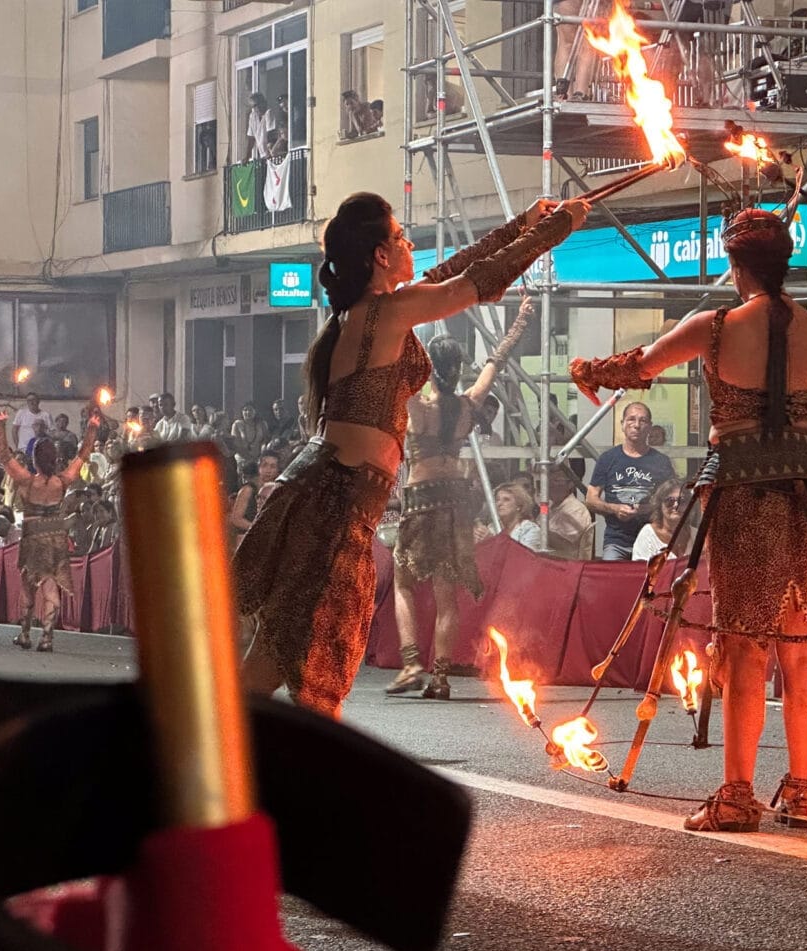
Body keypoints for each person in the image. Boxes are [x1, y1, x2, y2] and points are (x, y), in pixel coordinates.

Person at [234, 191, 587, 718]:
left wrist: (524, 224)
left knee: (288, 645)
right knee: (302, 645)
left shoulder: (377, 310)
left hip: (332, 495)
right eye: (400, 237)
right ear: (379, 255)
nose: (409, 244)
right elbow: (473, 285)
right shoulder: (384, 311)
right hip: (333, 501)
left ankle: (228, 764)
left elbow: (454, 273)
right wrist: (556, 231)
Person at [571, 208, 807, 832]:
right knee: (803, 643)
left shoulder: (716, 327)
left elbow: (637, 366)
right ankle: (800, 788)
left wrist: (586, 371)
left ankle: (738, 792)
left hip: (746, 490)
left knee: (744, 643)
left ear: (736, 263)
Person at [385, 299, 537, 700]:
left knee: (403, 582)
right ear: (457, 369)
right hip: (456, 497)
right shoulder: (469, 404)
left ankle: (412, 661)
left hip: (421, 496)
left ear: (430, 370)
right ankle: (440, 678)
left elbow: (396, 358)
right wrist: (520, 321)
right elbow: (497, 360)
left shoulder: (417, 405)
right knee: (445, 592)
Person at [0, 410, 99, 651]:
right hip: (55, 539)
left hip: (33, 539)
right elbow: (83, 455)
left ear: (34, 458)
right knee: (51, 587)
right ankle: (47, 637)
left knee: (28, 586)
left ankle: (25, 634)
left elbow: (2, 455)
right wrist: (91, 429)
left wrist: (0, 427)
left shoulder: (27, 480)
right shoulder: (62, 481)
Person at [585, 402, 675, 560]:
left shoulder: (661, 462)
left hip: (652, 539)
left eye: (643, 420)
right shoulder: (607, 459)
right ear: (622, 424)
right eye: (631, 419)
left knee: (655, 583)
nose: (637, 425)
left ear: (650, 426)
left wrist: (646, 509)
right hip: (616, 541)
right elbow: (590, 499)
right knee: (612, 580)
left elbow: (673, 500)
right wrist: (614, 508)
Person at [631, 478, 691, 560]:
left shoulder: (696, 535)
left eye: (682, 501)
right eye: (670, 501)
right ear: (660, 505)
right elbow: (640, 570)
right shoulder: (647, 535)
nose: (676, 505)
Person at [547, 463, 594, 560]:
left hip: (566, 566)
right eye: (549, 481)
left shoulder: (576, 509)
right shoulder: (549, 506)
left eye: (556, 480)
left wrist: (539, 531)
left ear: (570, 484)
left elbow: (564, 545)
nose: (551, 485)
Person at [495, 482, 541, 550]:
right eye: (497, 500)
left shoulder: (530, 530)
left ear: (519, 505)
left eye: (506, 500)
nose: (499, 503)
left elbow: (523, 557)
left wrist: (492, 541)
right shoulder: (492, 527)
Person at [242, 91, 275, 163]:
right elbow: (251, 138)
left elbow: (271, 133)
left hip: (272, 154)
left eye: (259, 104)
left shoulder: (269, 113)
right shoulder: (252, 116)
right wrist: (247, 157)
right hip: (263, 155)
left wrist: (270, 151)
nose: (257, 107)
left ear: (264, 103)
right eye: (254, 106)